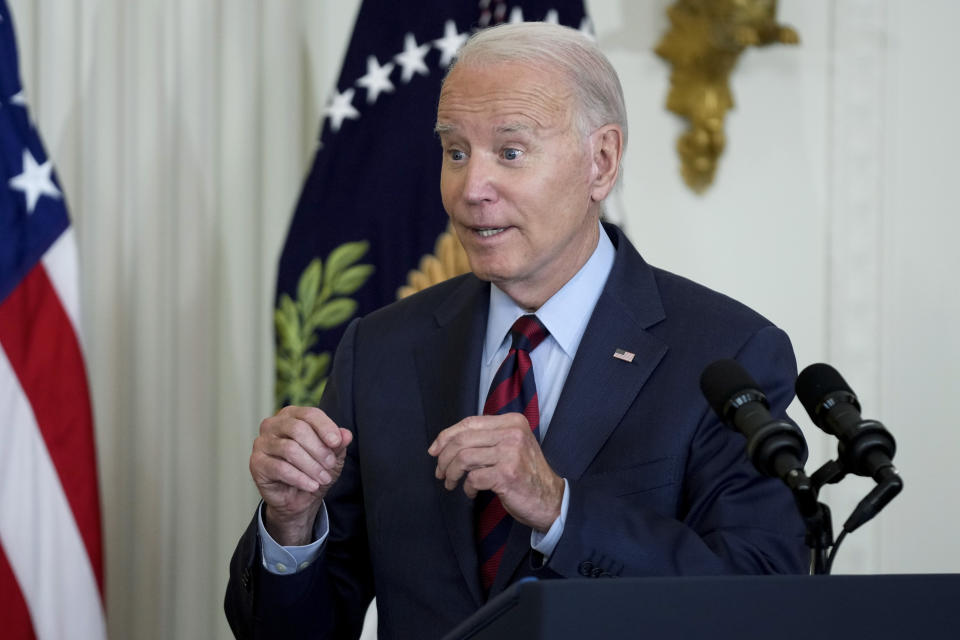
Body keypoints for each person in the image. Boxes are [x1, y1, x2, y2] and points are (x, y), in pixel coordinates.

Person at [225, 21, 807, 640]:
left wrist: (561, 510)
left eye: (510, 151)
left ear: (601, 162)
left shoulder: (725, 355)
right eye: (455, 151)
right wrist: (291, 525)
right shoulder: (381, 350)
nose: (471, 189)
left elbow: (758, 599)